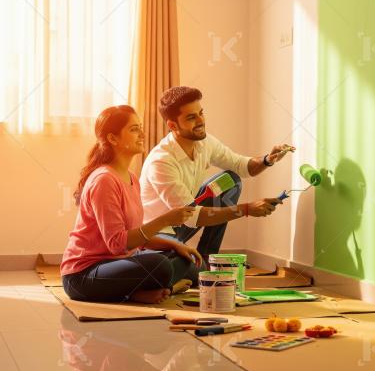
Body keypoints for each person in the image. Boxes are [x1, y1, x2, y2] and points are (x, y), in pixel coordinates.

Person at [61, 105, 202, 304]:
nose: (142, 134)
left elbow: (137, 237)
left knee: (186, 262)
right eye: (134, 129)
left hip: (119, 265)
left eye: (140, 127)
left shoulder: (132, 179)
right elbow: (118, 244)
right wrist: (166, 220)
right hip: (83, 275)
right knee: (159, 265)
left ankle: (142, 291)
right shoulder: (104, 180)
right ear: (112, 138)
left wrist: (176, 245)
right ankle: (162, 289)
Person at [139, 86, 291, 259]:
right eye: (191, 117)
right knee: (171, 266)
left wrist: (268, 159)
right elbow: (192, 216)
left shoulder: (205, 142)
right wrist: (246, 209)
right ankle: (191, 266)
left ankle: (207, 259)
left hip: (185, 219)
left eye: (201, 113)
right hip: (159, 233)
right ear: (173, 125)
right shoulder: (162, 161)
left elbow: (241, 166)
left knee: (230, 181)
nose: (200, 121)